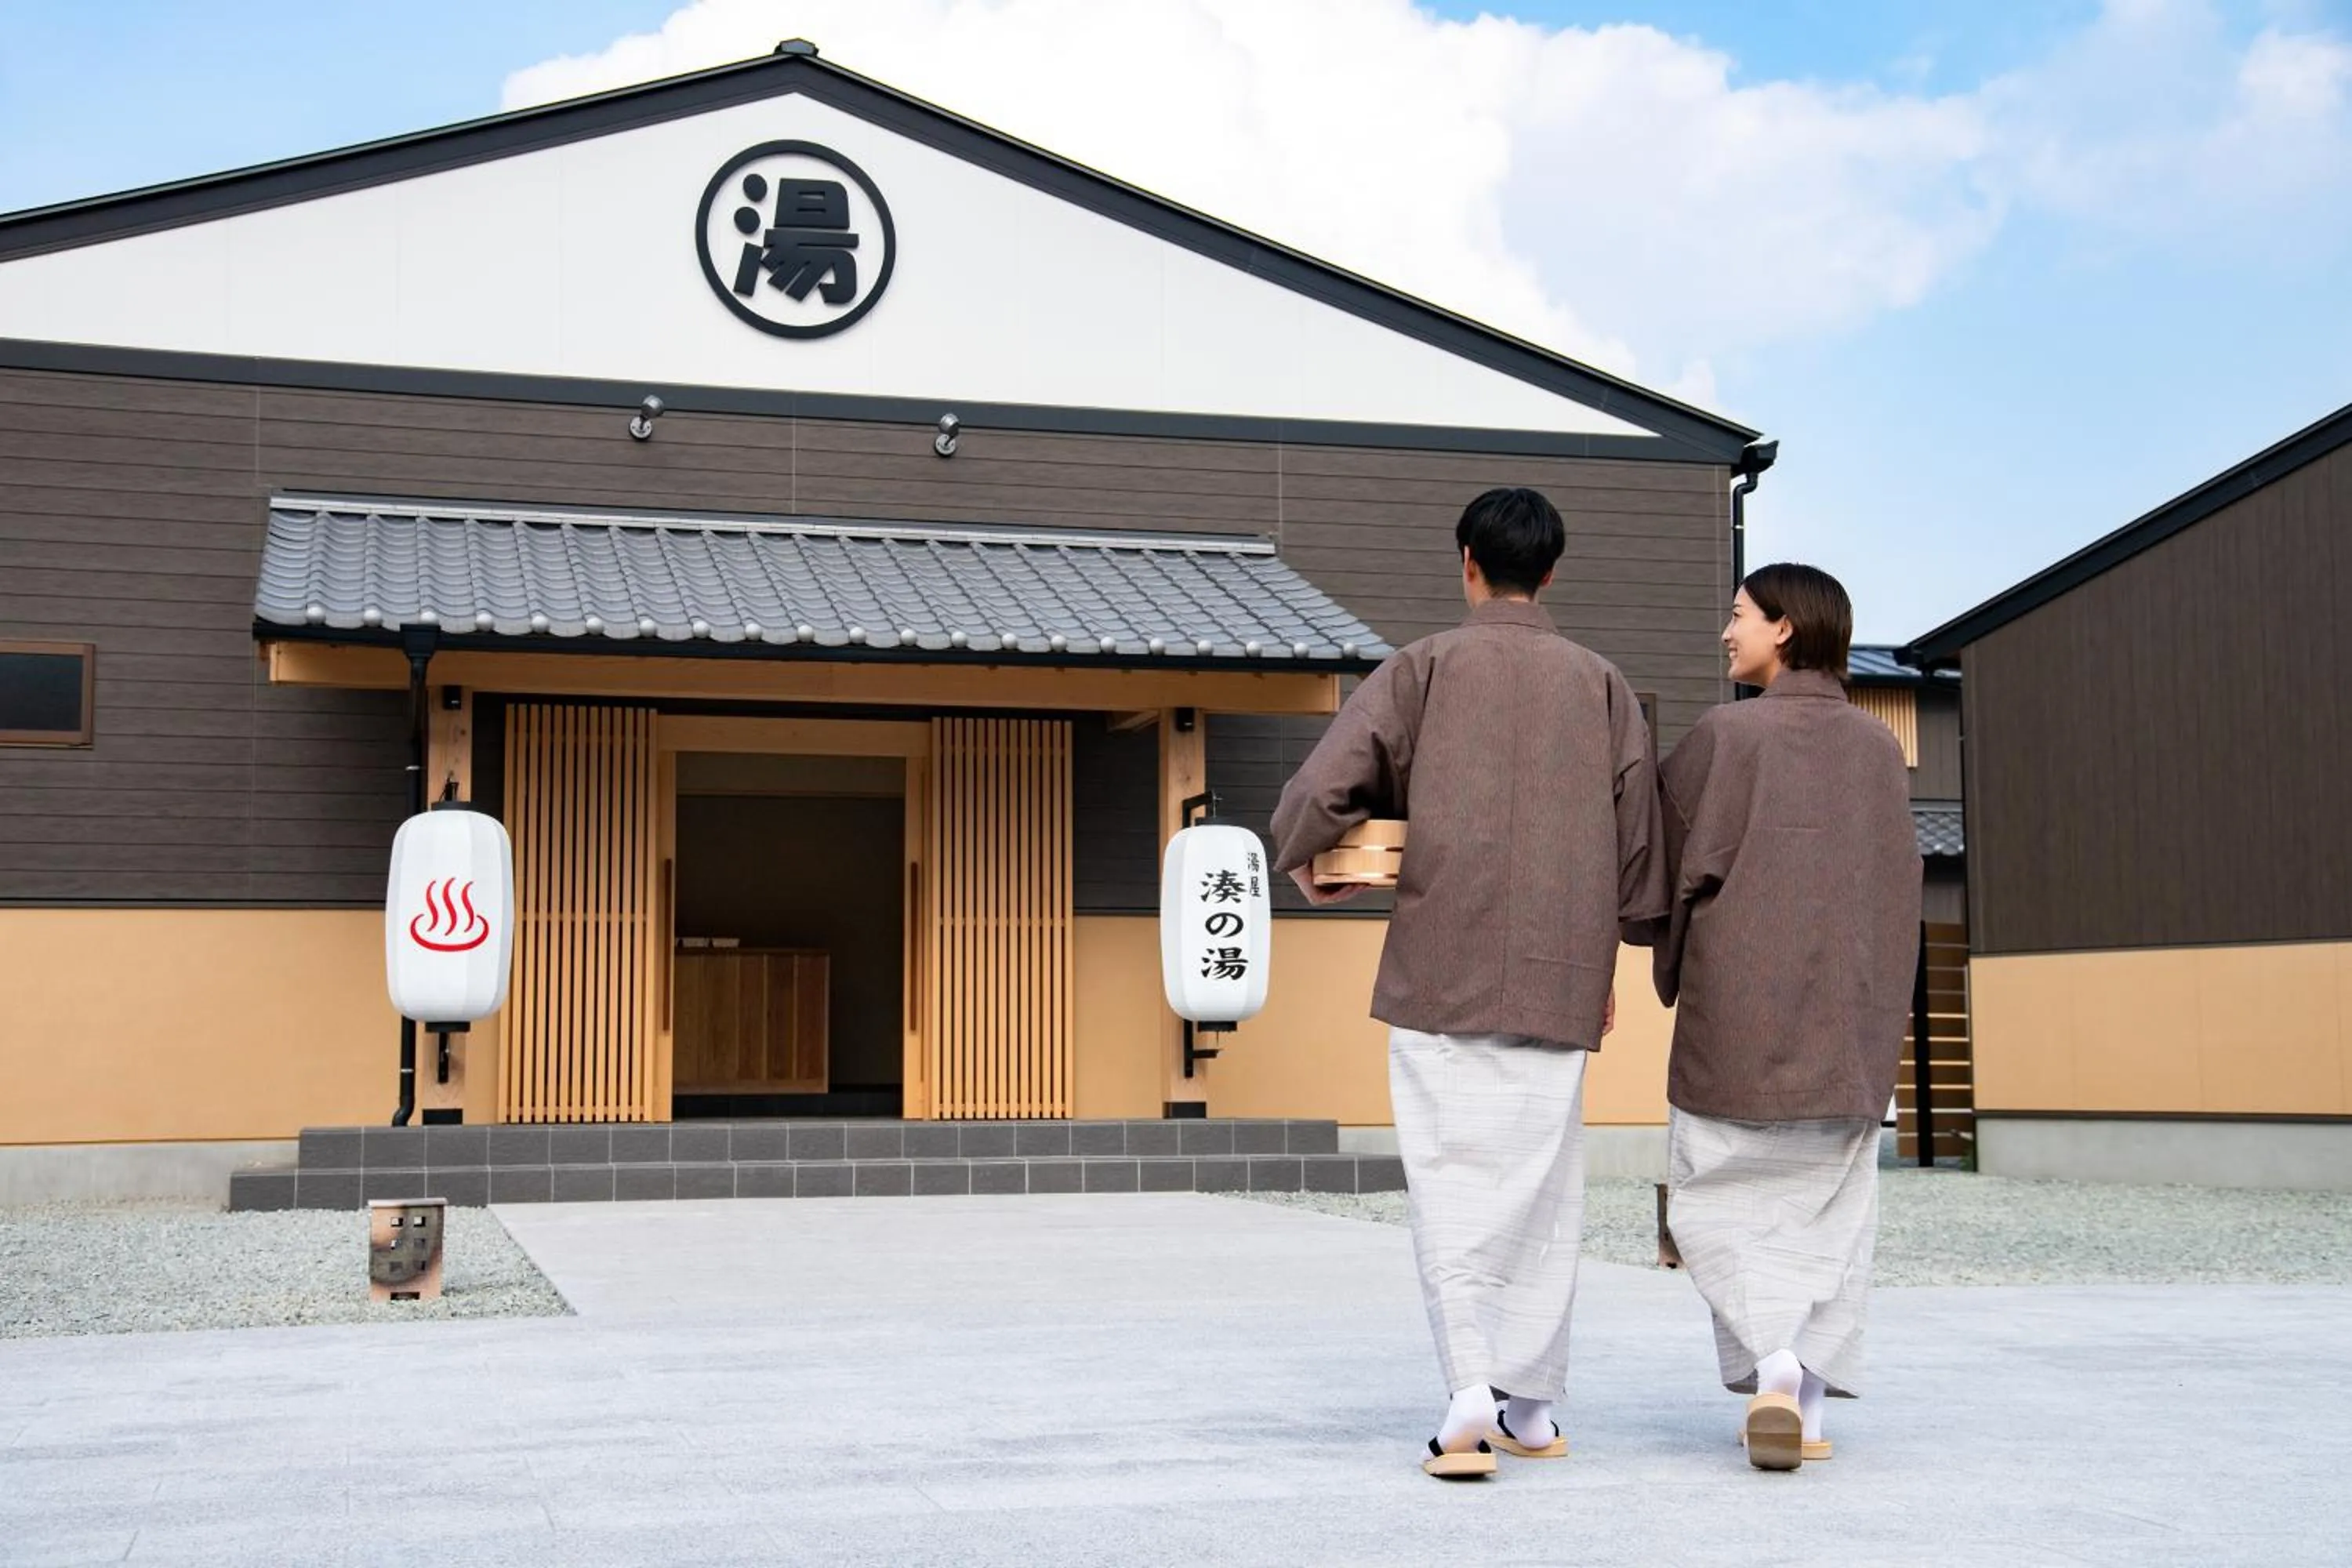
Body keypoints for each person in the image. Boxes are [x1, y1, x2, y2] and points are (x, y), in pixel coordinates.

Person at [1270, 486, 1665, 1480]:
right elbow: (1640, 843)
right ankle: (1530, 1410)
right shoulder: (1601, 682)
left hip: (1440, 971)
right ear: (1553, 571)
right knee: (1542, 1190)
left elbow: (1321, 791)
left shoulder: (1424, 667)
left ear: (1467, 561)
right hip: (1560, 976)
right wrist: (1617, 951)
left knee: (1451, 1185)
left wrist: (1309, 858)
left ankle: (1463, 1398)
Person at [1650, 563, 1923, 1472]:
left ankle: (1772, 1365)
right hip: (1851, 1020)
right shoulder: (1881, 750)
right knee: (1835, 1213)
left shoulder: (1727, 735)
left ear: (1786, 629)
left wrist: (1653, 937)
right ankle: (1802, 1398)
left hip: (1738, 1015)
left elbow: (1666, 857)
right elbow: (1900, 895)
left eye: (1738, 616)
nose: (1726, 632)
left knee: (1711, 1197)